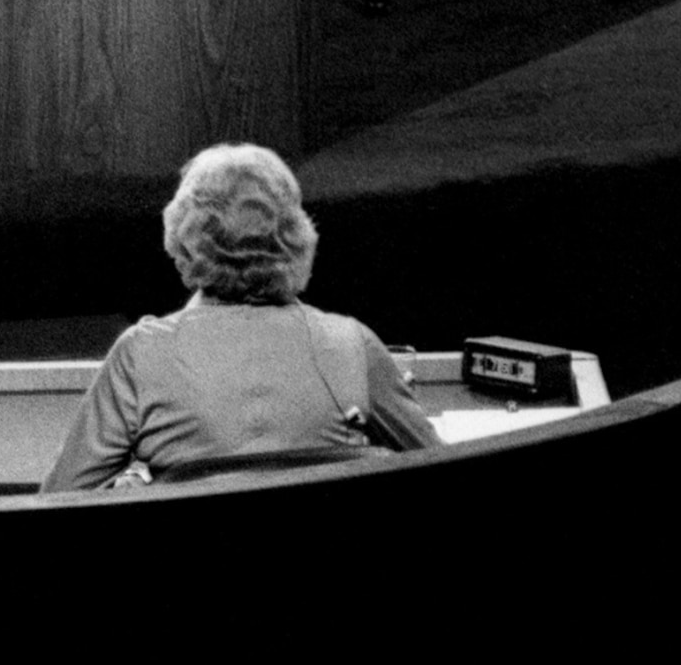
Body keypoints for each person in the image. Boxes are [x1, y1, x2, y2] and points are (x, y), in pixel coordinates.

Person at [42, 143, 439, 491]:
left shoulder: (139, 355)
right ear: (298, 238)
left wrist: (136, 489)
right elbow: (452, 472)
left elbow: (57, 503)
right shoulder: (353, 344)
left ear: (181, 245)